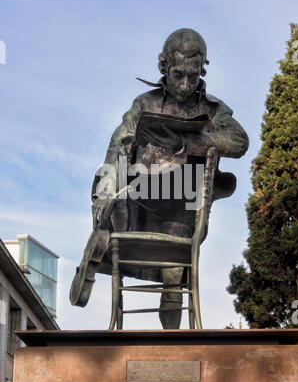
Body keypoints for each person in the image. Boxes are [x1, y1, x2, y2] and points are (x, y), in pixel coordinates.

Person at [70, 28, 249, 329]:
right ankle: (98, 243)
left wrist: (188, 143)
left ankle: (172, 299)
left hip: (184, 200)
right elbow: (118, 143)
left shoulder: (212, 109)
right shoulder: (144, 104)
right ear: (164, 66)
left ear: (202, 69)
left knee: (178, 241)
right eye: (178, 74)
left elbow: (239, 142)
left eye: (193, 76)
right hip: (140, 198)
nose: (185, 83)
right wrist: (105, 189)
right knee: (110, 184)